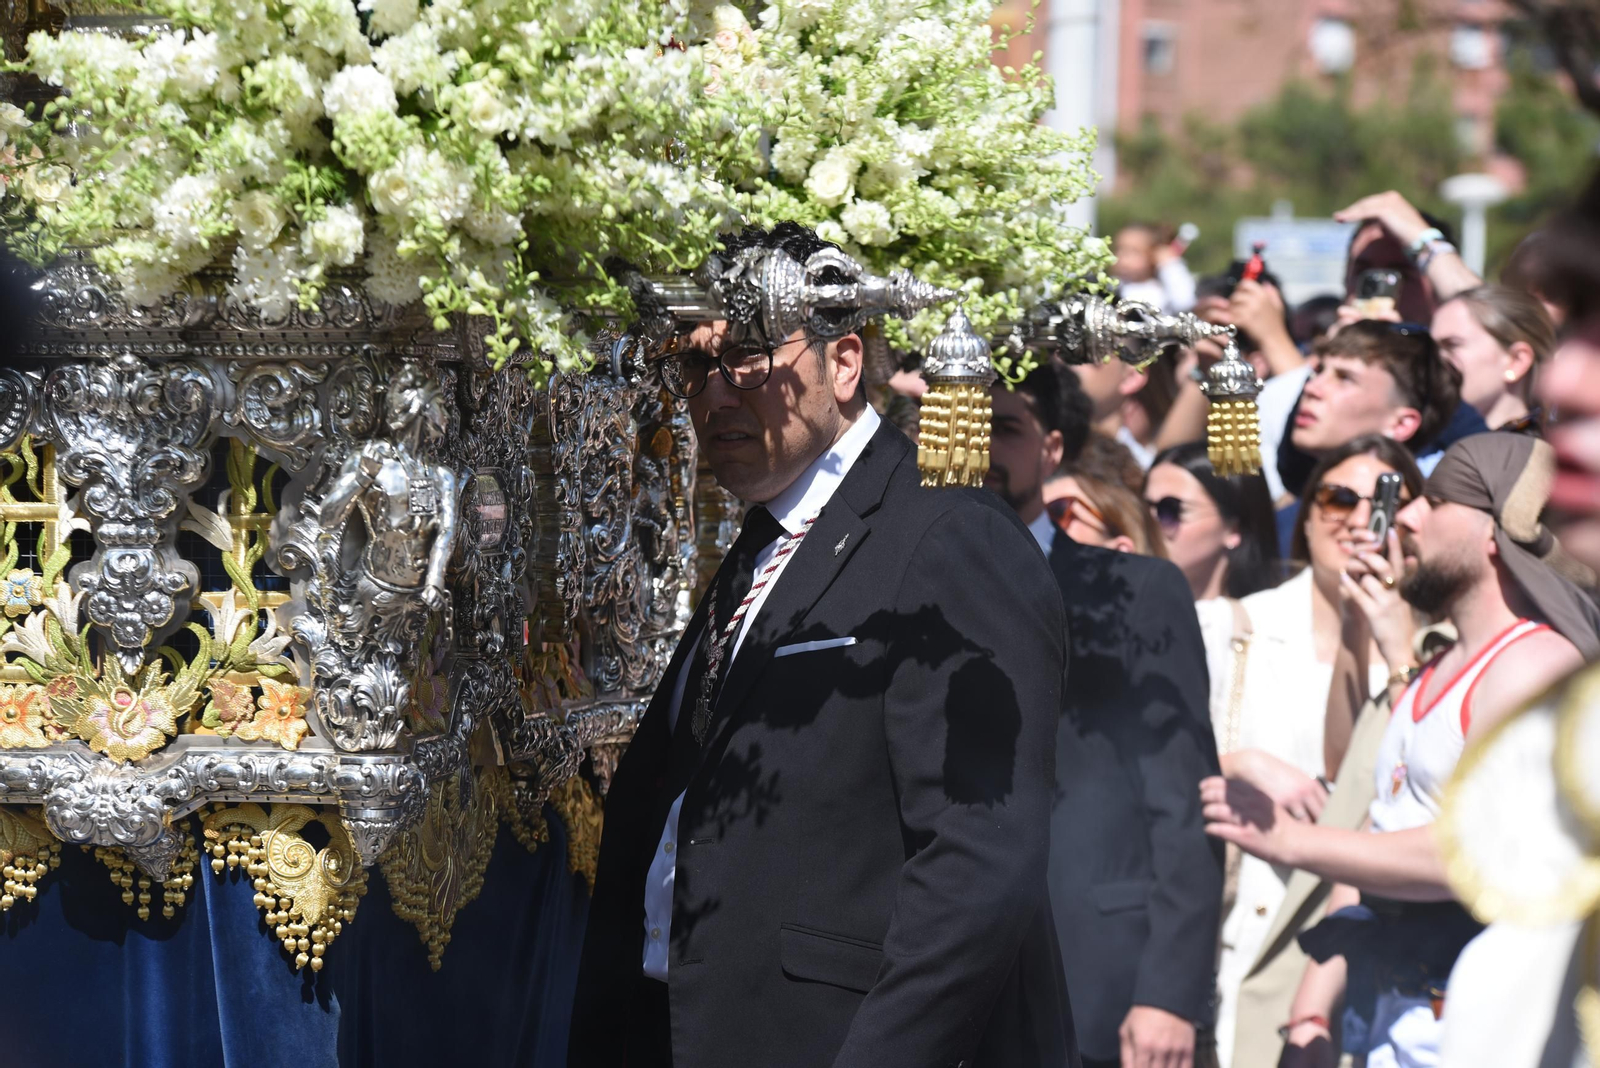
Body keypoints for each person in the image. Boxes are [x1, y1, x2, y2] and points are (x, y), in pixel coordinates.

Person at [569, 224, 1076, 1068]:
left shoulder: (949, 534)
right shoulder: (764, 538)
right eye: (695, 366)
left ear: (843, 363)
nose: (715, 394)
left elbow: (979, 861)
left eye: (747, 357)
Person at [1203, 432, 1599, 1068]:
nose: (1406, 516)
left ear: (1494, 530)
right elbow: (1381, 830)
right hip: (1391, 1023)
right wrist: (1311, 1011)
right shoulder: (1435, 668)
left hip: (1479, 1038)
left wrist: (1292, 840)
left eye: (1436, 502)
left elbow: (1477, 847)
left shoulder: (1533, 663)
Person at [990, 362, 1223, 1068]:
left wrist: (1170, 993)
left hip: (1095, 979)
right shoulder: (904, 592)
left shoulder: (1136, 591)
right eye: (960, 424)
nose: (980, 447)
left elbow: (1182, 803)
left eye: (1004, 428)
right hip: (942, 983)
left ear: (1052, 448)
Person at [1198, 435, 1420, 1068]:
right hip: (1230, 942)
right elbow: (1143, 777)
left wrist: (1368, 630)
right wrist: (1240, 765)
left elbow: (1357, 781)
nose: (1358, 519)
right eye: (1337, 498)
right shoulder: (1228, 628)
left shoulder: (1433, 649)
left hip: (1358, 967)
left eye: (1384, 501)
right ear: (1307, 512)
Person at [1144, 442, 1280, 601]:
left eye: (1170, 509)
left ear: (1234, 529)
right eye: (1143, 508)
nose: (1150, 523)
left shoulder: (1273, 613)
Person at [1430, 284, 1554, 431]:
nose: (1433, 358)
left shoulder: (1551, 444)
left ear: (1516, 361)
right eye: (1431, 348)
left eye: (1452, 345)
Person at [1113, 222, 1197, 313]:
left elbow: (1185, 302)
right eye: (1119, 249)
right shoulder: (1116, 285)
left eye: (1133, 252)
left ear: (1154, 255)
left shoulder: (1162, 289)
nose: (1121, 258)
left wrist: (1170, 264)